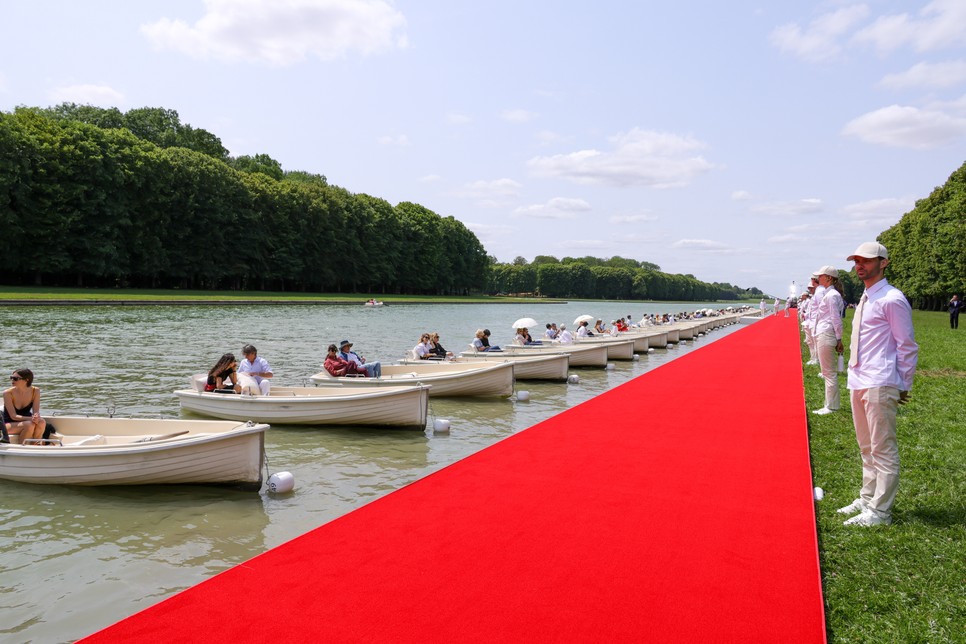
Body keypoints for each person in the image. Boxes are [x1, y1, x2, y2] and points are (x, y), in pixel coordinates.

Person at [838, 242, 918, 527]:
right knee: (866, 446)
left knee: (882, 449)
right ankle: (867, 497)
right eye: (857, 261)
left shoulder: (892, 299)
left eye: (867, 260)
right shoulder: (867, 296)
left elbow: (907, 345)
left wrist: (903, 384)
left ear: (883, 263)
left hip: (880, 381)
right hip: (859, 379)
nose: (860, 265)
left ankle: (881, 511)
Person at [811, 266, 844, 415]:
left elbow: (835, 319)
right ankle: (831, 404)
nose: (818, 278)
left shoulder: (831, 296)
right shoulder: (830, 294)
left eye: (821, 276)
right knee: (828, 372)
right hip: (826, 332)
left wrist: (839, 338)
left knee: (829, 372)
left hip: (826, 333)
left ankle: (831, 406)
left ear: (829, 278)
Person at [3, 368, 47, 443]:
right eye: (11, 378)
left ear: (26, 380)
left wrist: (36, 416)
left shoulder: (35, 391)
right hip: (8, 423)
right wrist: (31, 419)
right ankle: (22, 446)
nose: (12, 380)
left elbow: (36, 412)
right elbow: (13, 416)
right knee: (29, 425)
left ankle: (35, 445)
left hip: (26, 420)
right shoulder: (8, 393)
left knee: (42, 422)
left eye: (15, 378)